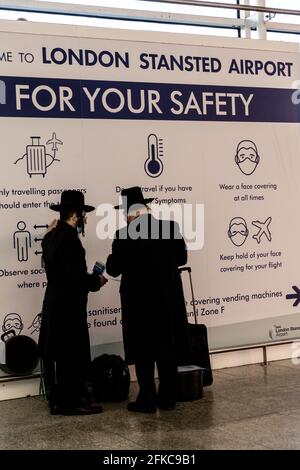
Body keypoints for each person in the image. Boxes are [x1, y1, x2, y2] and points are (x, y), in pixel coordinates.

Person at [106, 186, 189, 413]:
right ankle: (168, 398)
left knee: (144, 353)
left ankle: (147, 399)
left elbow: (113, 269)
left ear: (130, 213)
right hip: (168, 302)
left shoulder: (123, 236)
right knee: (167, 348)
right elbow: (182, 258)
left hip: (139, 306)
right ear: (146, 208)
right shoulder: (170, 227)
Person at [39, 190, 107, 415]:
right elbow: (76, 277)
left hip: (53, 302)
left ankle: (58, 401)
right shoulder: (71, 241)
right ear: (76, 215)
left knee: (59, 352)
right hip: (69, 306)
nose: (86, 219)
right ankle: (72, 403)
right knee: (71, 352)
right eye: (84, 214)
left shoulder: (50, 237)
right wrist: (97, 280)